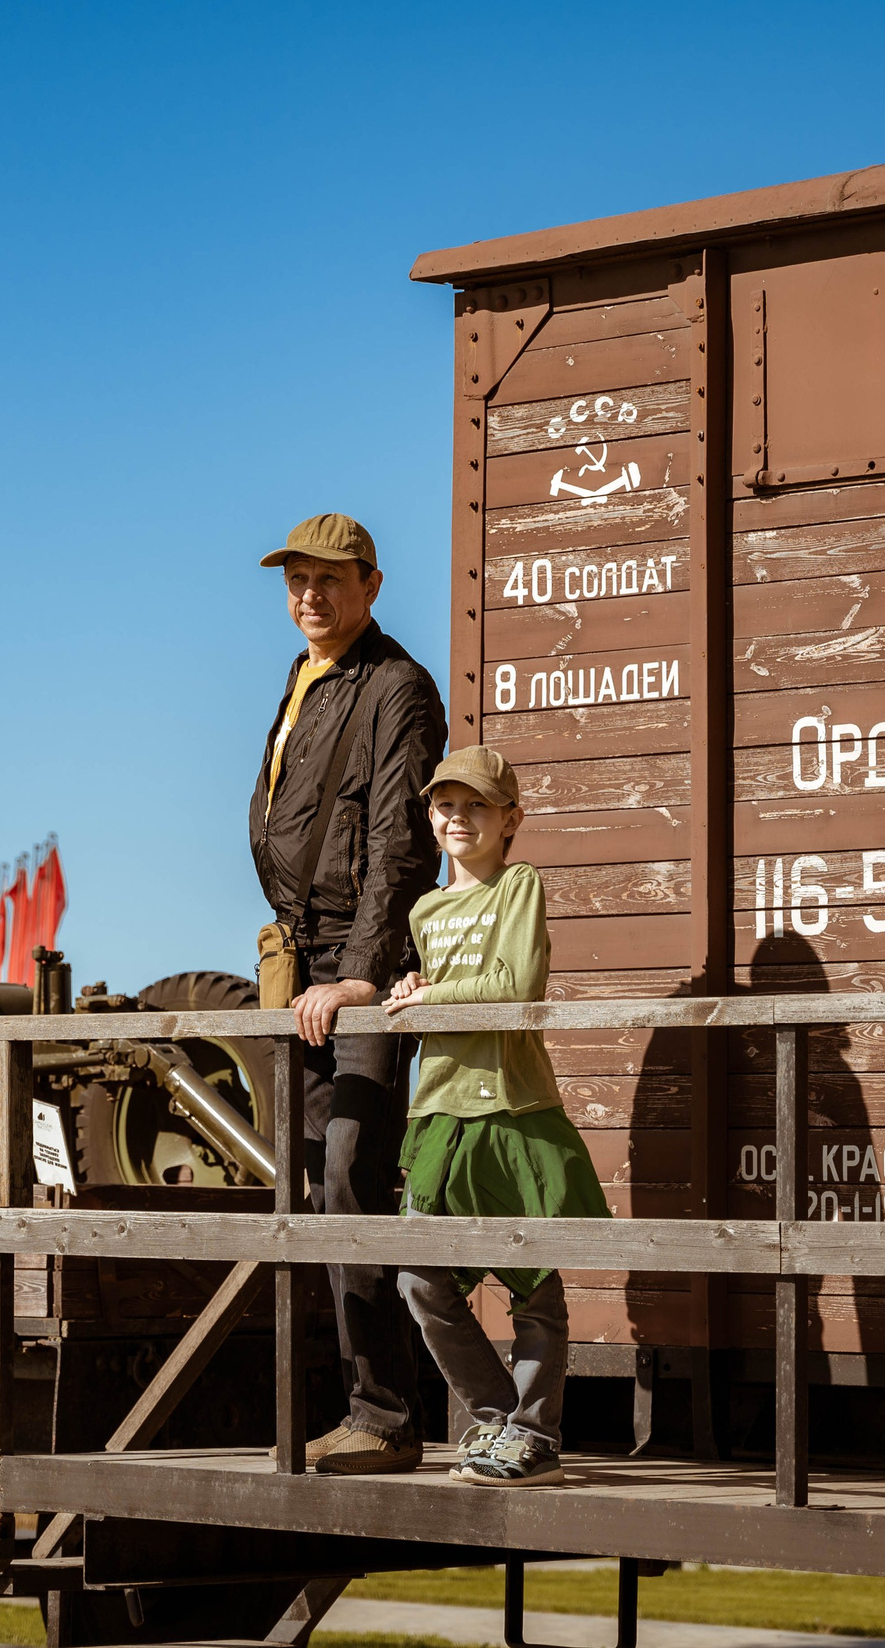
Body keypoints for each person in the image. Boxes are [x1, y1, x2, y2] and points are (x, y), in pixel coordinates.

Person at [250, 512, 446, 1475]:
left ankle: (388, 1411)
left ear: (372, 584)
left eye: (329, 579)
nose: (308, 596)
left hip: (357, 971)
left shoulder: (398, 687)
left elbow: (400, 846)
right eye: (295, 580)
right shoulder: (305, 679)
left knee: (352, 1170)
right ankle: (354, 1405)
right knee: (312, 1179)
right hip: (305, 965)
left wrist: (362, 971)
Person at [383, 744, 610, 1487]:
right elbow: (446, 998)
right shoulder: (425, 907)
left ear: (511, 818)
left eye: (476, 804)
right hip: (438, 1111)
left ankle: (534, 1434)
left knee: (532, 1281)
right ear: (429, 816)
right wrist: (417, 985)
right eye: (445, 804)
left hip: (511, 1108)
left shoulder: (519, 885)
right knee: (420, 1276)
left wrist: (428, 997)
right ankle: (498, 1421)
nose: (458, 817)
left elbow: (514, 984)